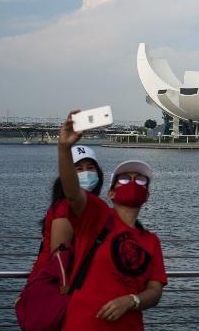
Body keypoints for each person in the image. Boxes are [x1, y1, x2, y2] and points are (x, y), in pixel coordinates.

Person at [58, 110, 167, 330]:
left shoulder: (151, 241)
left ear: (147, 195)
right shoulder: (95, 215)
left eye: (141, 180)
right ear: (111, 193)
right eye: (125, 178)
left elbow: (154, 292)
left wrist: (131, 300)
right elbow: (72, 192)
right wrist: (64, 148)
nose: (133, 182)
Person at [28, 145, 104, 281]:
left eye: (90, 168)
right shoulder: (64, 209)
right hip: (62, 287)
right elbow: (59, 262)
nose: (86, 173)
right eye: (79, 169)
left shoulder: (95, 207)